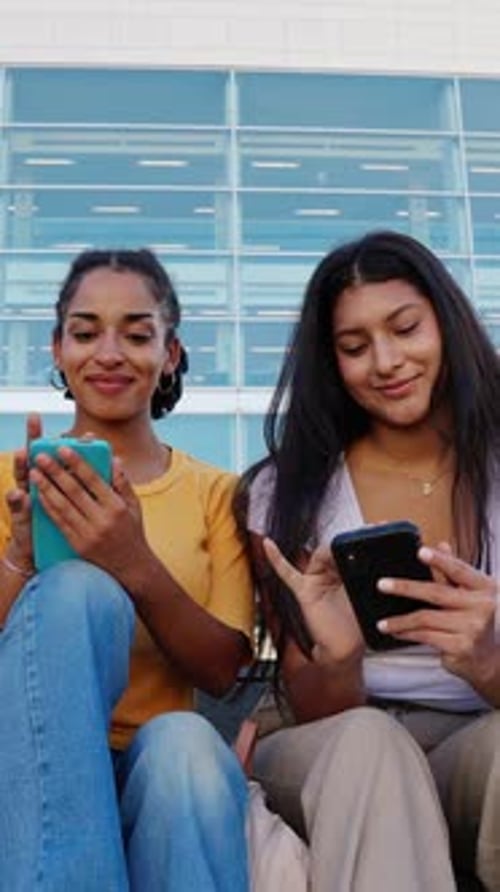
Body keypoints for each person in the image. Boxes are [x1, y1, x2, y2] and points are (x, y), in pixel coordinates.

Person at [237, 229, 500, 891]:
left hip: (481, 738)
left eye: (405, 328)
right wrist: (338, 653)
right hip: (343, 738)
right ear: (332, 364)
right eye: (355, 347)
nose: (385, 361)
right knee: (371, 747)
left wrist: (489, 661)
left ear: (446, 323)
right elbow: (317, 710)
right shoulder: (287, 491)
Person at [0, 248, 254, 891]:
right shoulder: (11, 482)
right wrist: (22, 559)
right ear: (58, 349)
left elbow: (223, 670)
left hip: (155, 764)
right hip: (29, 761)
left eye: (138, 334)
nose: (109, 353)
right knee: (75, 589)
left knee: (189, 745)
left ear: (169, 354)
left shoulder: (217, 493)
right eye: (85, 333)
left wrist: (134, 563)